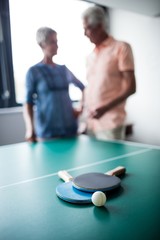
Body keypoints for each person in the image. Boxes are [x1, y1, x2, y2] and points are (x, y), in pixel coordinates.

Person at [81, 6, 136, 140]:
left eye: (87, 28)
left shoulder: (121, 48)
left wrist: (104, 108)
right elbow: (90, 87)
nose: (84, 33)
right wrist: (81, 109)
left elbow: (131, 87)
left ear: (99, 26)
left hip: (111, 124)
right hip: (91, 123)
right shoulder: (90, 57)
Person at [23, 27, 85, 142]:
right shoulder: (34, 72)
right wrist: (30, 129)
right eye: (52, 42)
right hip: (47, 132)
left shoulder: (64, 70)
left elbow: (83, 88)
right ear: (42, 44)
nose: (57, 46)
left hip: (70, 129)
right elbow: (28, 103)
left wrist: (80, 108)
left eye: (57, 42)